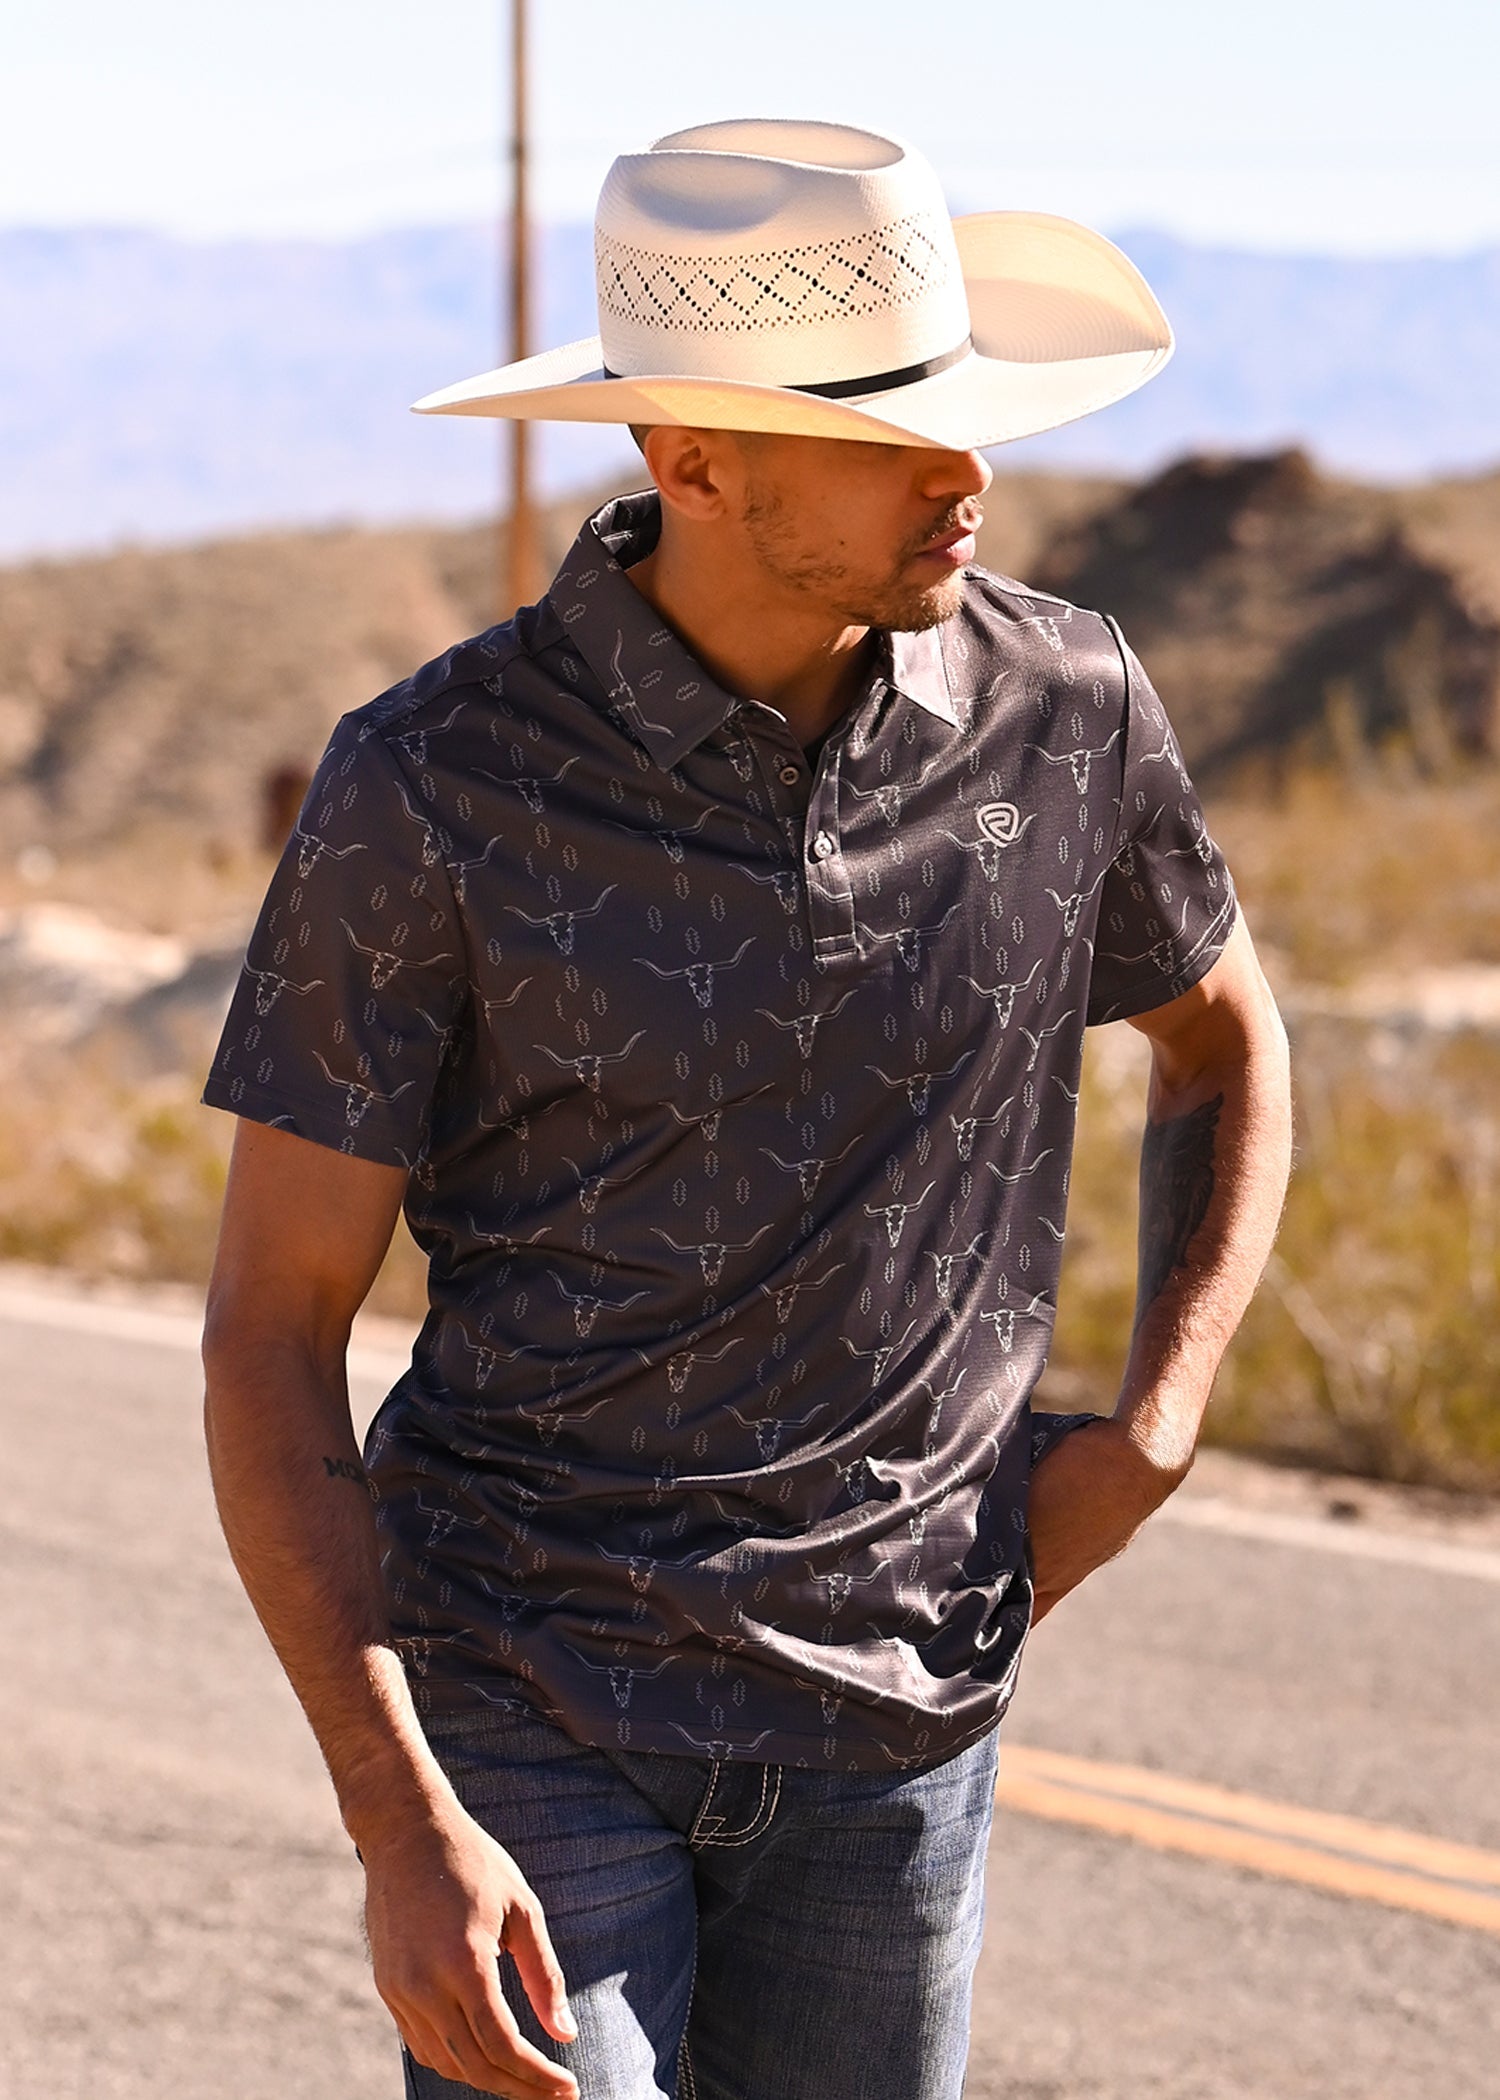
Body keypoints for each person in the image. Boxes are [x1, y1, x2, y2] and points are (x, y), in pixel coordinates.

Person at [201, 118, 1291, 2100]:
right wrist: (394, 1824)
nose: (969, 471)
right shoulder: (433, 783)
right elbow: (272, 1333)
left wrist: (1157, 1425)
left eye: (966, 407)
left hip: (906, 1724)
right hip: (530, 1695)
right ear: (690, 463)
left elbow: (1223, 1038)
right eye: (895, 428)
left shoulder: (1069, 709)